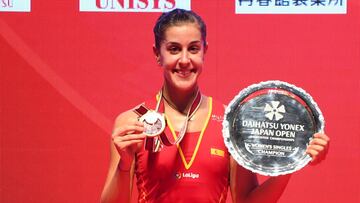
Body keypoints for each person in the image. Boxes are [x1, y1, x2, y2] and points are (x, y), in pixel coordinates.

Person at [100, 9, 330, 203]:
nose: (184, 60)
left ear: (204, 51)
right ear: (157, 54)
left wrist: (291, 162)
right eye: (173, 49)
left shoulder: (230, 122)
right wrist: (124, 165)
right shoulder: (134, 121)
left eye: (193, 48)